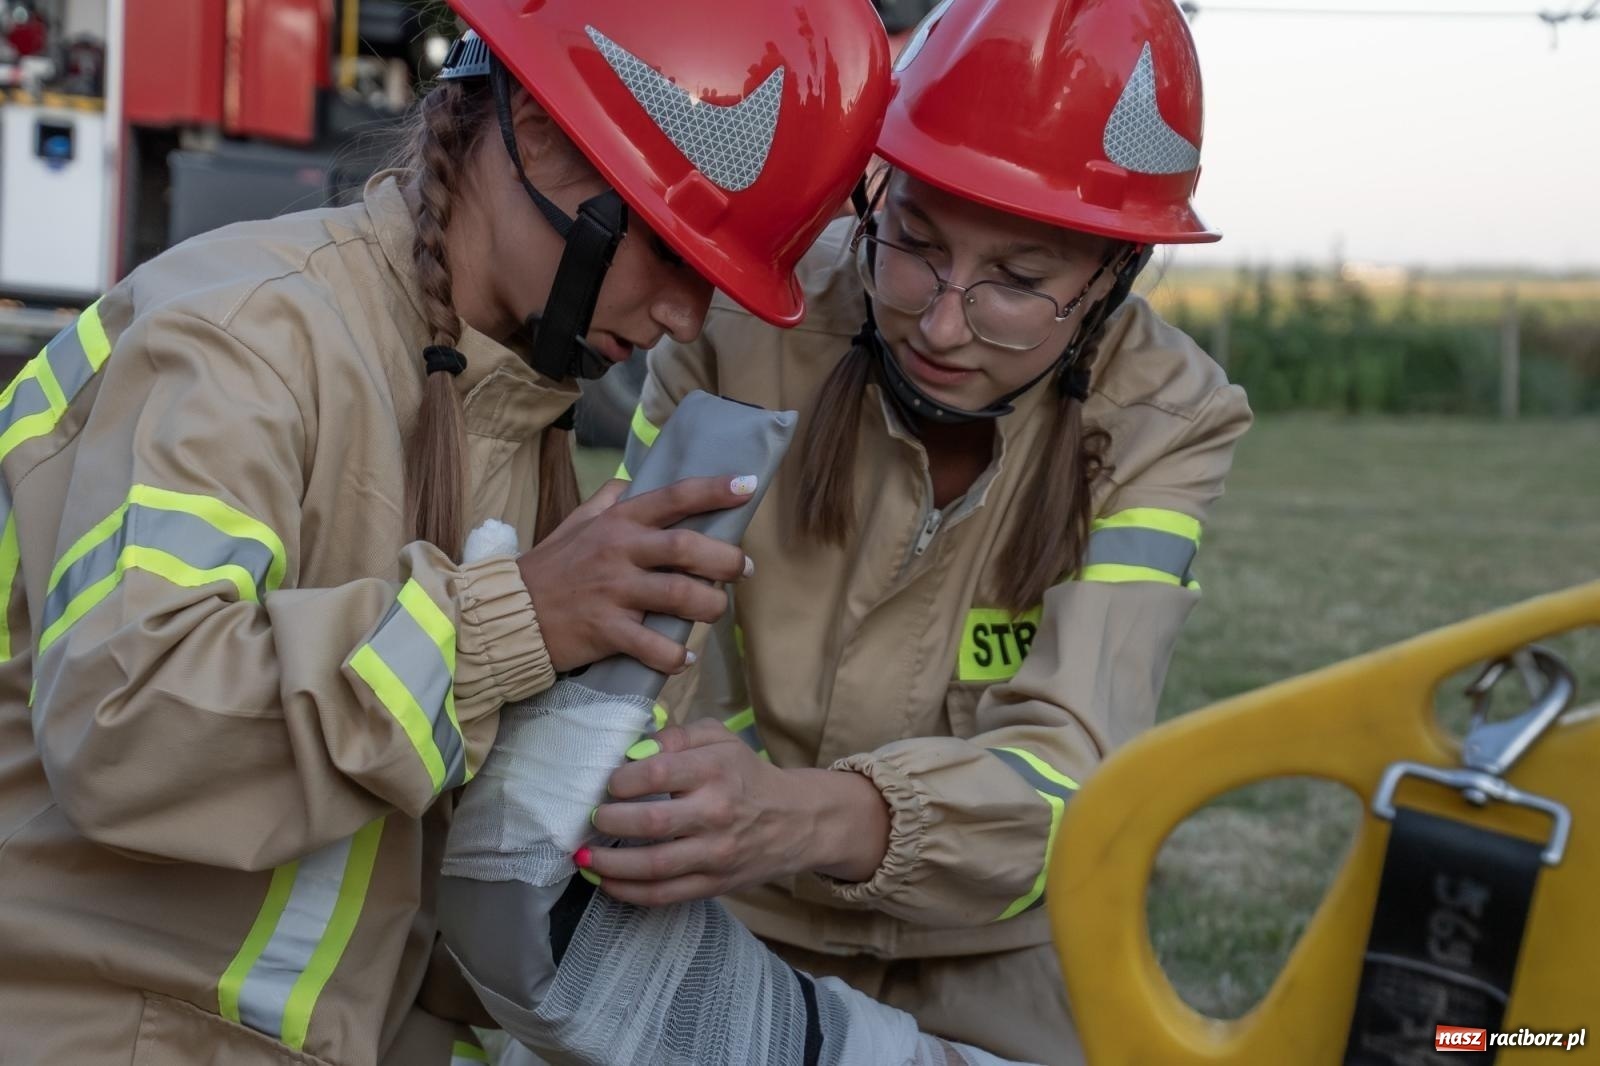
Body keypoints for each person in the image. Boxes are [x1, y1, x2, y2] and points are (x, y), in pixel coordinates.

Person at [0, 1, 890, 1062]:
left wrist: (614, 790)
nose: (687, 319)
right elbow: (124, 728)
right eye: (669, 248)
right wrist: (512, 622)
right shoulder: (245, 339)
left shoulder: (515, 409)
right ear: (542, 132)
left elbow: (417, 880)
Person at [591, 0, 1254, 1061]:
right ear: (873, 189)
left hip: (992, 952)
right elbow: (623, 639)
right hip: (725, 909)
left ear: (1114, 276)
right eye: (912, 243)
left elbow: (1071, 776)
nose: (941, 323)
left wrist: (804, 814)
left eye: (1019, 282)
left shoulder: (1168, 416)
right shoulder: (743, 323)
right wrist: (678, 803)